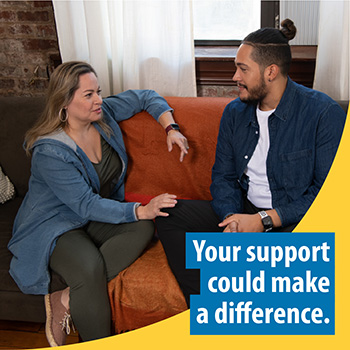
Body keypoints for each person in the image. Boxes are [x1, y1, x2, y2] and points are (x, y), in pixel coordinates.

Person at [155, 19, 346, 307]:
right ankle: (209, 305)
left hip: (292, 221)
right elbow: (223, 176)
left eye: (243, 69)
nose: (235, 76)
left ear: (271, 72)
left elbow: (326, 196)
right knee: (168, 214)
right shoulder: (235, 113)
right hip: (245, 211)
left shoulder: (323, 113)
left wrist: (263, 221)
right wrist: (233, 221)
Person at [8, 61, 189, 346]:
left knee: (142, 229)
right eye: (88, 95)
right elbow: (84, 204)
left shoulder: (103, 116)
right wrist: (140, 208)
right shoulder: (51, 151)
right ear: (65, 101)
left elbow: (146, 96)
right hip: (56, 225)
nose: (99, 100)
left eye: (98, 91)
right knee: (89, 266)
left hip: (92, 217)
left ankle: (66, 296)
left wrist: (171, 128)